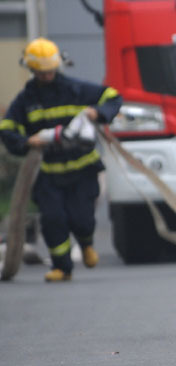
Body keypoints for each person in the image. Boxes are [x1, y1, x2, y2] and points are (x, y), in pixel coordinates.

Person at [0, 38, 122, 282]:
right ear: (32, 70)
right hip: (48, 172)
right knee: (53, 220)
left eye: (50, 70)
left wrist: (97, 112)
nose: (47, 76)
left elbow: (113, 97)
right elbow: (7, 128)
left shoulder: (75, 89)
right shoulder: (26, 100)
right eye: (41, 72)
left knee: (82, 218)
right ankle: (62, 267)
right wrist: (27, 142)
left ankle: (86, 244)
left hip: (82, 169)